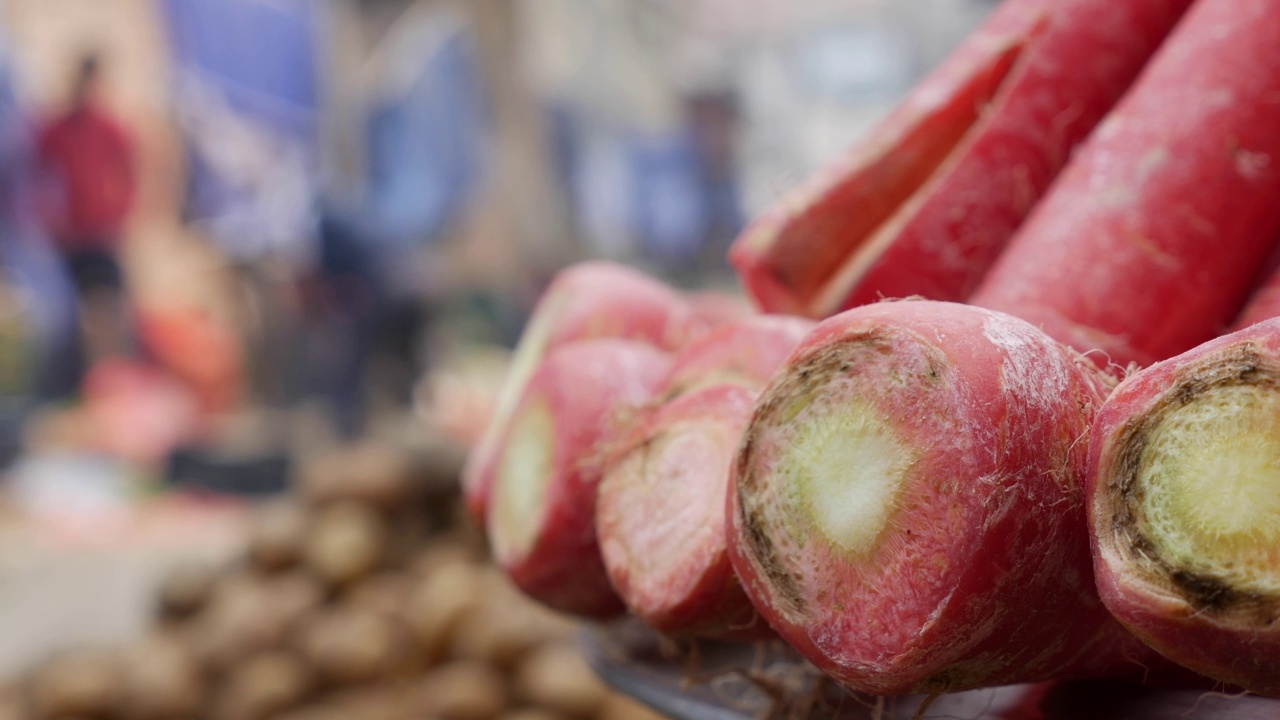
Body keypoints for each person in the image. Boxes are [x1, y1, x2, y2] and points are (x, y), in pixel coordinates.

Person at [35, 51, 137, 398]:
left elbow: (128, 171)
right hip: (70, 239)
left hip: (102, 235)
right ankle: (76, 389)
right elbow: (38, 172)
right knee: (72, 317)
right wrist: (51, 219)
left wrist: (117, 213)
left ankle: (117, 385)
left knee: (112, 312)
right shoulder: (58, 129)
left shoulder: (108, 127)